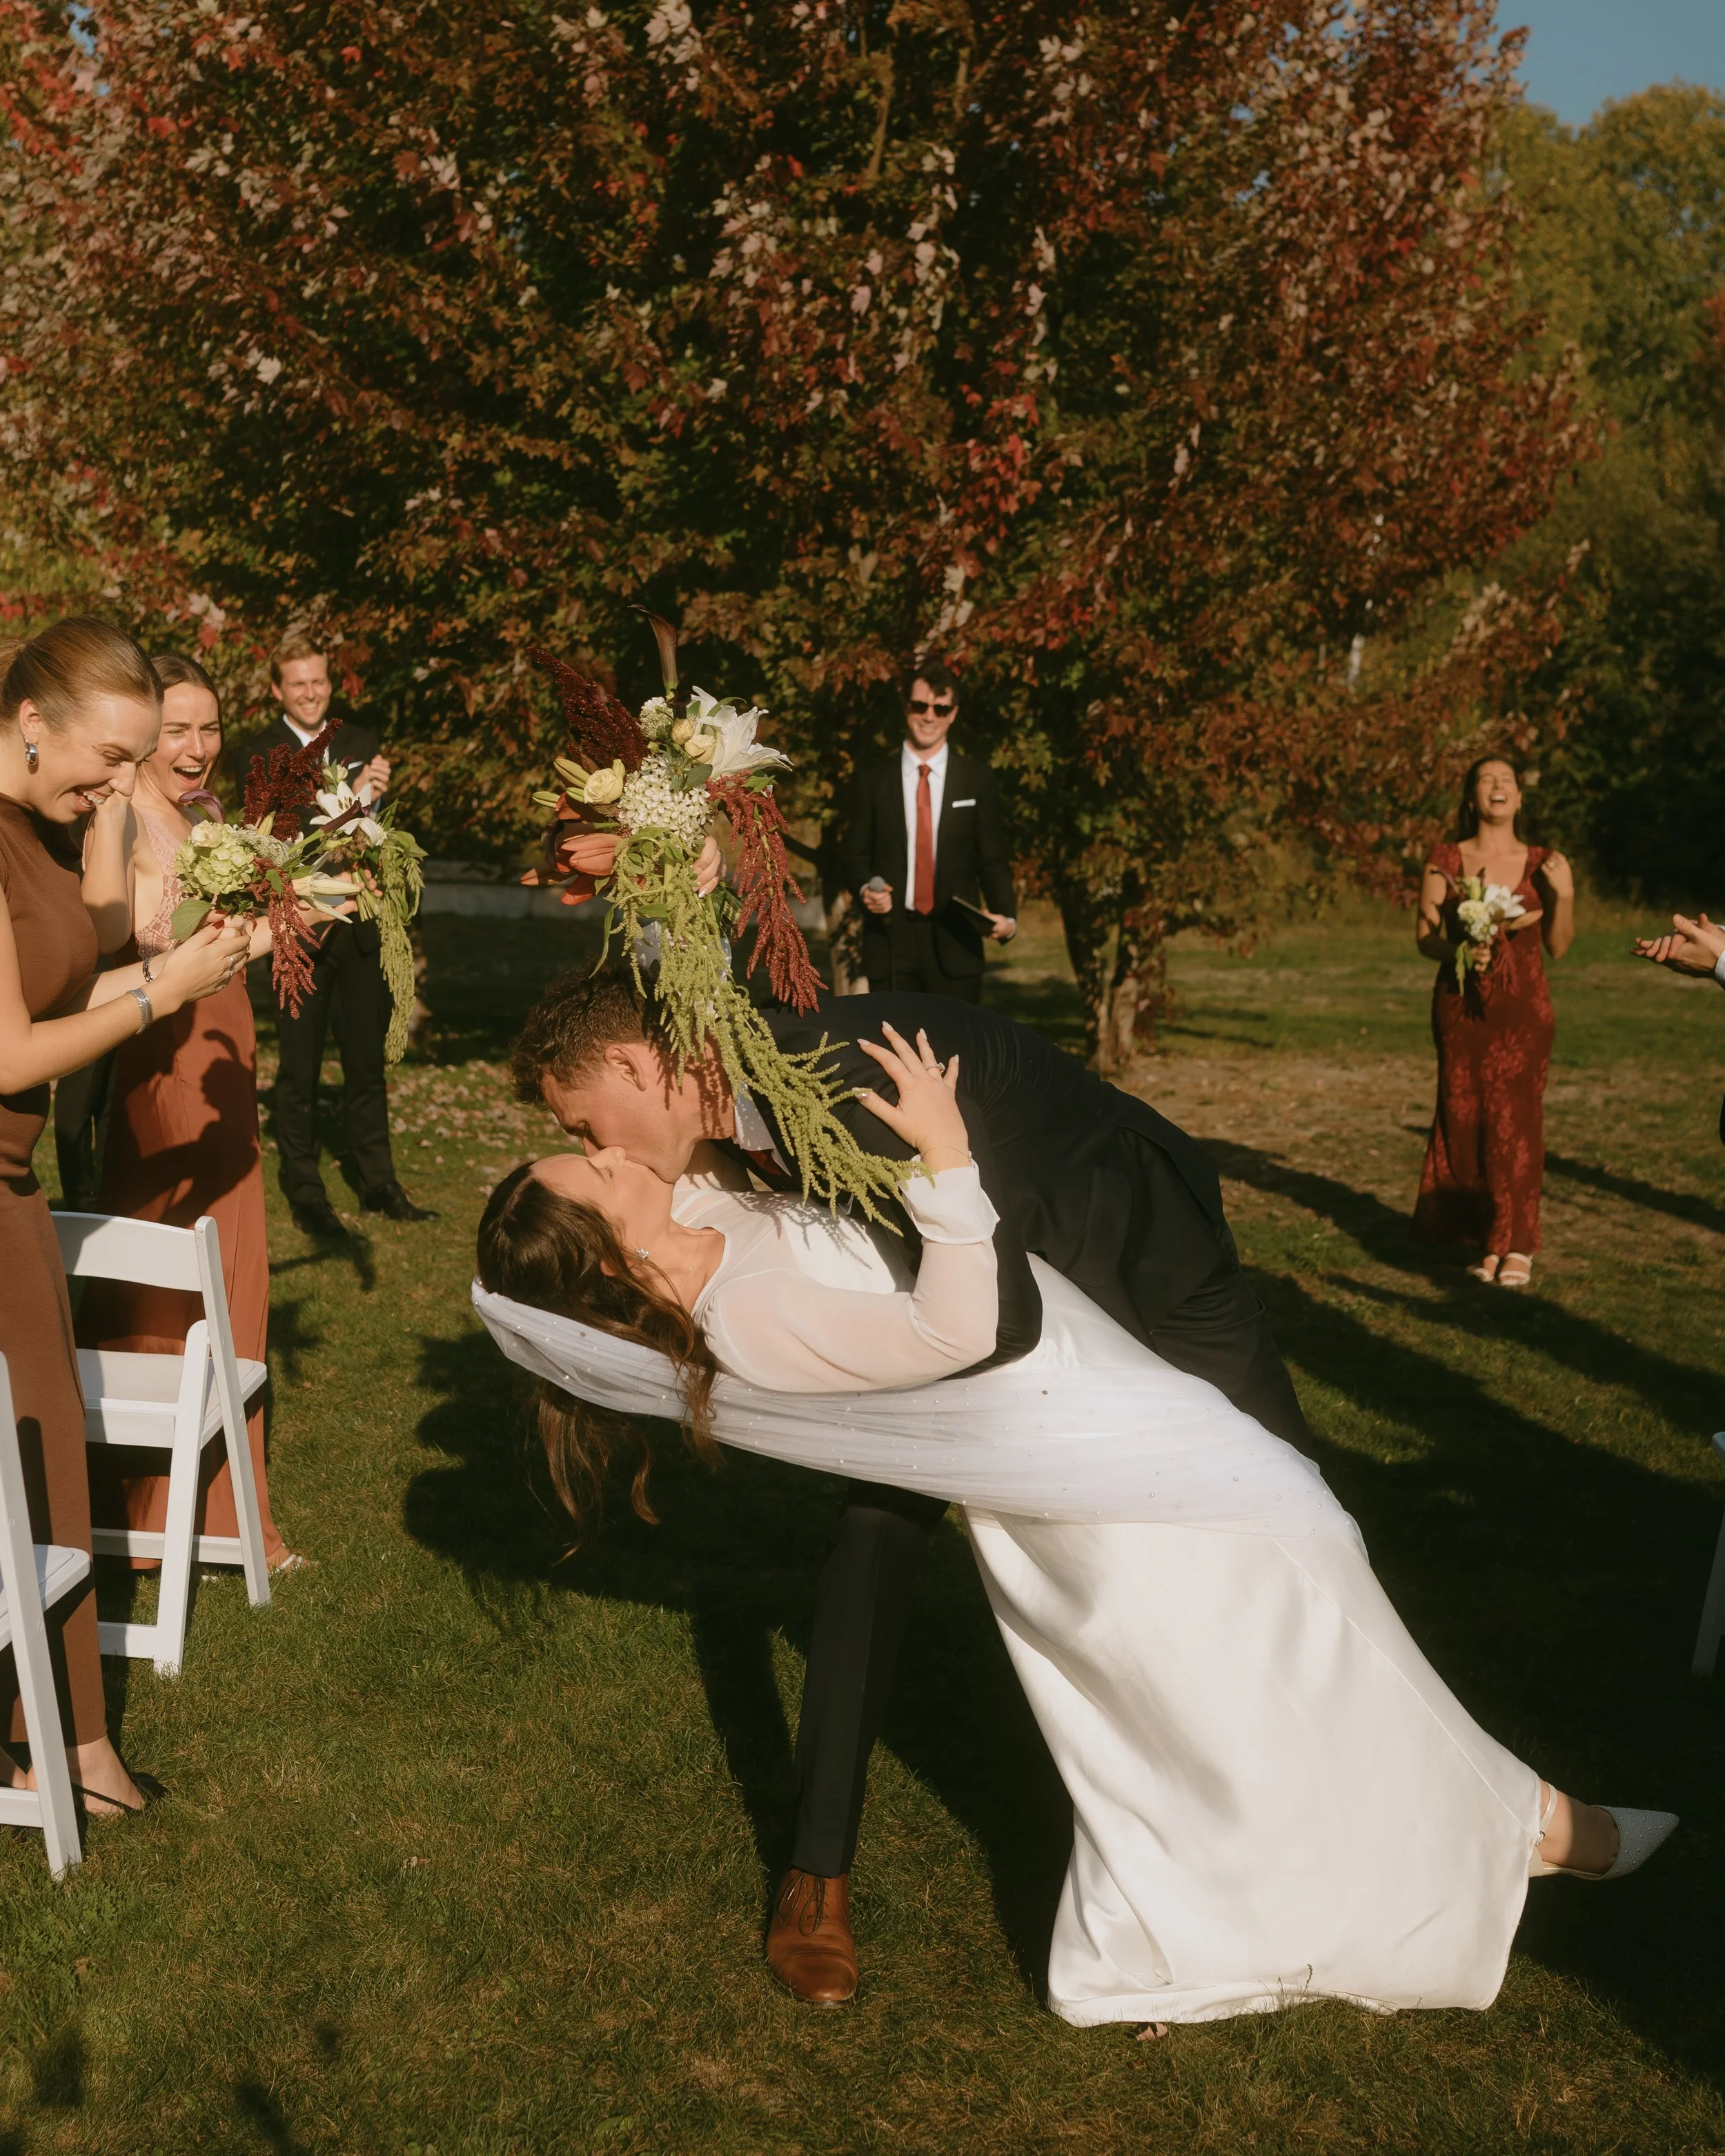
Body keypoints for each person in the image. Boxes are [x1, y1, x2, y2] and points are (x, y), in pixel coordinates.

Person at [477, 1024, 1676, 2031]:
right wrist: (946, 1155)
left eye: (582, 1133)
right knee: (1267, 1613)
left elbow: (686, 1077)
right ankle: (1515, 1829)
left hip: (1097, 1404)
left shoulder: (698, 1208)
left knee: (1262, 1634)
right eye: (585, 1163)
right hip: (1081, 1446)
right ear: (608, 1249)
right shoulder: (747, 1319)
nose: (600, 1148)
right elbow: (952, 1330)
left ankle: (1494, 1827)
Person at [511, 967, 1310, 2001]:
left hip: (1128, 1247)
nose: (597, 1150)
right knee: (873, 1541)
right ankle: (815, 1874)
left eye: (585, 1122)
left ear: (630, 1063)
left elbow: (1003, 1322)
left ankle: (1299, 1807)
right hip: (957, 1305)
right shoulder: (709, 1107)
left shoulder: (846, 1081)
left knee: (1289, 1510)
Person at [0, 620, 250, 1817]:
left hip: (13, 1178)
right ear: (30, 720)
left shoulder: (42, 831)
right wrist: (165, 984)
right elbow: (9, 1050)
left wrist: (181, 958)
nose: (123, 779)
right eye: (110, 755)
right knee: (38, 1446)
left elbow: (78, 972)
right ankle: (62, 1742)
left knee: (52, 1445)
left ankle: (72, 1738)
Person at [77, 654, 300, 1574]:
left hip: (227, 1044)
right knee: (171, 1261)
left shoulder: (207, 818)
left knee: (237, 1261)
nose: (198, 747)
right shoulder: (121, 815)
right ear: (141, 735)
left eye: (209, 728)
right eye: (177, 729)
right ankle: (148, 1505)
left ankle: (221, 1506)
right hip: (165, 1053)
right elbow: (98, 944)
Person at [232, 629, 428, 1234]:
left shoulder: (362, 740)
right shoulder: (258, 753)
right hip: (303, 930)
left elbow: (379, 834)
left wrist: (374, 813)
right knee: (299, 1068)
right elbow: (272, 842)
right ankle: (306, 1188)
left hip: (362, 924)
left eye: (319, 681)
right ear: (277, 690)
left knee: (367, 1063)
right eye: (298, 684)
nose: (311, 693)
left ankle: (379, 1183)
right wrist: (353, 803)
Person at [1412, 755, 1575, 1289]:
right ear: (1470, 797)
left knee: (1517, 1120)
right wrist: (1464, 941)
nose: (1498, 786)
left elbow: (1559, 945)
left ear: (1519, 798)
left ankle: (1519, 1242)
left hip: (1522, 1009)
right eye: (1486, 780)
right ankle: (1485, 1236)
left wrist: (1565, 895)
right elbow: (1425, 938)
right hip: (1460, 1007)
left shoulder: (1546, 862)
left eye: (1507, 780)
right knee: (1465, 1117)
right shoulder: (1444, 859)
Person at [840, 661, 1016, 1005]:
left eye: (941, 708)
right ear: (907, 708)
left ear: (953, 714)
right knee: (894, 1052)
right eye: (920, 706)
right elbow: (851, 857)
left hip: (957, 940)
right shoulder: (872, 780)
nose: (929, 716)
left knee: (956, 1053)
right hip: (890, 942)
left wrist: (1006, 916)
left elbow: (993, 858)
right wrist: (865, 890)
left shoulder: (977, 780)